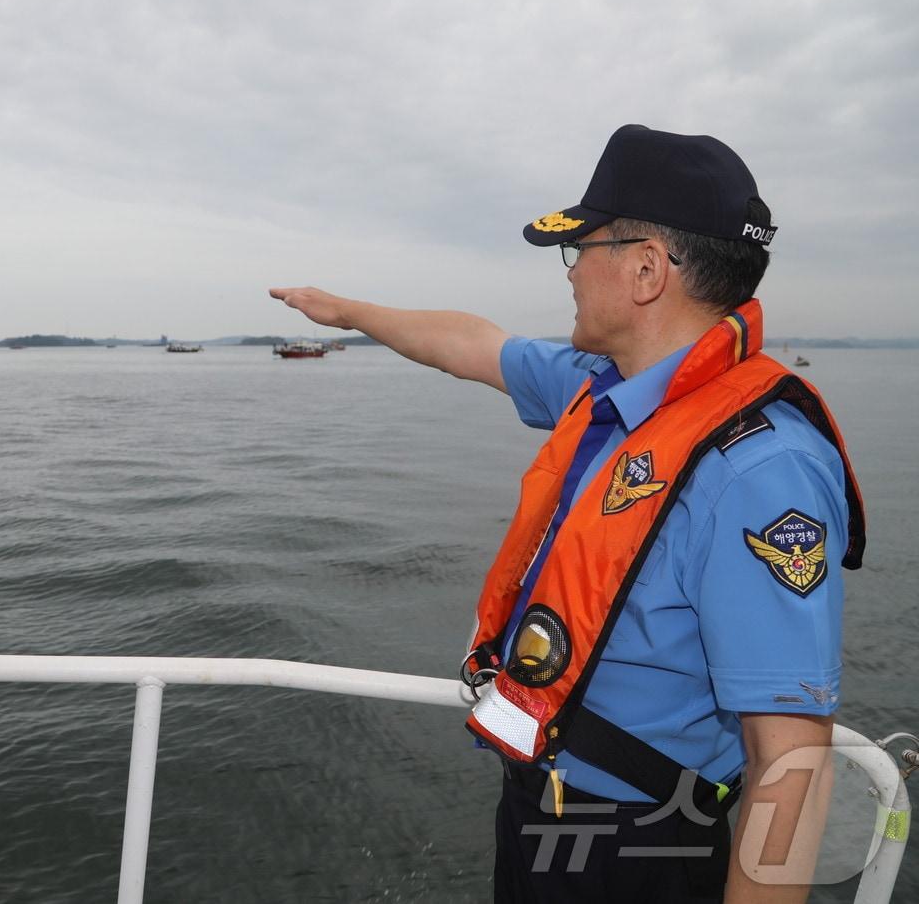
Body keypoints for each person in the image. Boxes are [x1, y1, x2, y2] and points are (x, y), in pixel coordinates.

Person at [271, 124, 865, 904]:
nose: (572, 272)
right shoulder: (601, 386)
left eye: (583, 248)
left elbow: (790, 764)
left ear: (647, 269)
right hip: (540, 808)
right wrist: (348, 310)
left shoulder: (760, 467)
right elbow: (471, 344)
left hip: (640, 844)